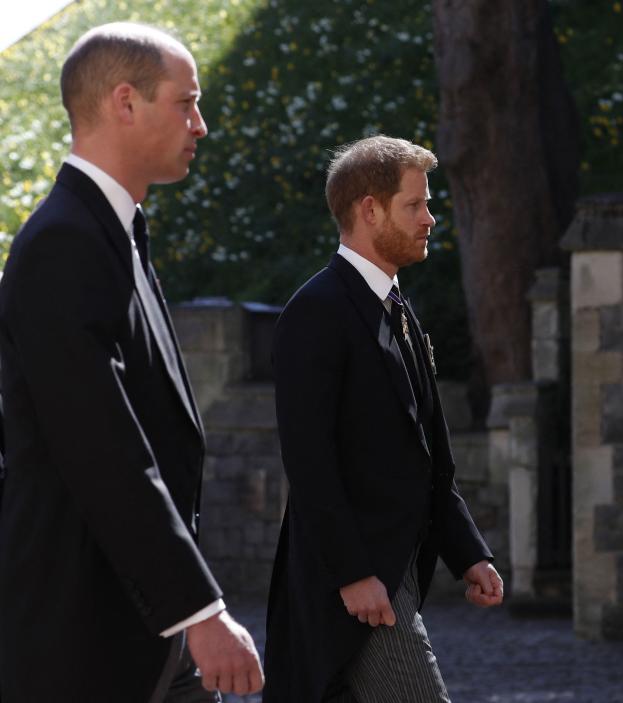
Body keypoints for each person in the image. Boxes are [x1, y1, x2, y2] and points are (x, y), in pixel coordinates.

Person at [0, 23, 263, 702]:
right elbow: (103, 449)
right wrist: (199, 612)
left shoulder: (116, 232)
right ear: (124, 101)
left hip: (144, 627)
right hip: (83, 634)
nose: (200, 124)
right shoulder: (64, 242)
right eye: (186, 102)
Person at [264, 135, 505, 701]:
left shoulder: (396, 308)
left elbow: (427, 456)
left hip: (392, 574)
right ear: (369, 210)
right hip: (352, 586)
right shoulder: (315, 312)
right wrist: (351, 573)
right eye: (415, 205)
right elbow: (309, 460)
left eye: (428, 204)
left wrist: (468, 552)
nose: (430, 218)